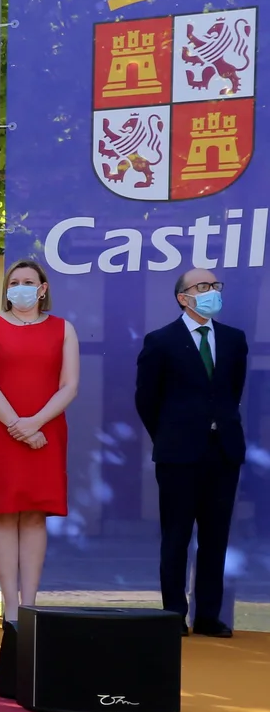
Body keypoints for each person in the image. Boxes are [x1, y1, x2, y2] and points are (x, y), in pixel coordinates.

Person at [136, 267, 248, 637]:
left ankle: (208, 616)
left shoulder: (234, 340)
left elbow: (233, 391)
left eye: (215, 285)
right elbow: (146, 400)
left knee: (215, 538)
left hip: (223, 453)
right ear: (183, 297)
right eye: (203, 286)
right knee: (176, 536)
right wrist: (169, 435)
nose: (212, 291)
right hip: (178, 455)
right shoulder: (161, 341)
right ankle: (173, 614)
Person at [0, 260, 77, 623]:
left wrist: (35, 424)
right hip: (0, 431)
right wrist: (18, 425)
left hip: (46, 432)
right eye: (14, 282)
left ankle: (30, 605)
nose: (20, 287)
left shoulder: (64, 330)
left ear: (42, 288)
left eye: (28, 281)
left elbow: (69, 386)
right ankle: (10, 609)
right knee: (4, 515)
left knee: (34, 515)